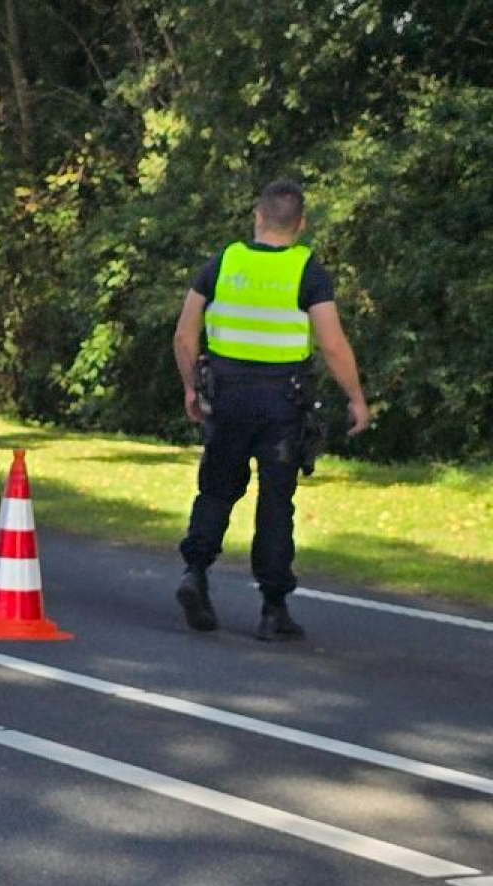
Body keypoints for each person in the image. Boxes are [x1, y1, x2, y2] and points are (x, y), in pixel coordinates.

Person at [172, 179, 370, 641]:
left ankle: (195, 572)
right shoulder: (308, 272)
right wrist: (356, 398)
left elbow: (185, 335)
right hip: (282, 402)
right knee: (276, 500)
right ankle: (273, 607)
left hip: (226, 397)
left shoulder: (223, 263)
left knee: (217, 490)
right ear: (300, 225)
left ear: (258, 217)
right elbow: (333, 344)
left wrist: (189, 389)